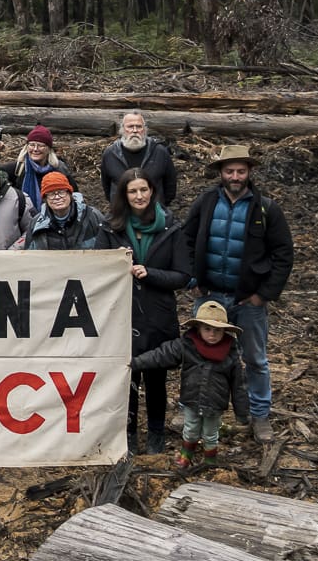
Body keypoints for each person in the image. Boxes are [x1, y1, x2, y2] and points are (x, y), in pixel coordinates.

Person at [181, 145, 294, 441]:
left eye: (240, 171)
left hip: (248, 299)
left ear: (249, 172)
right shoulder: (205, 202)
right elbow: (185, 240)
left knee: (255, 359)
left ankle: (259, 417)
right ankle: (195, 412)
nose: (235, 176)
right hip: (209, 298)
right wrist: (192, 278)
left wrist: (264, 294)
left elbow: (283, 254)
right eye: (229, 171)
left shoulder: (266, 208)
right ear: (220, 172)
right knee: (199, 356)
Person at [95, 168, 189, 453]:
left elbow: (183, 275)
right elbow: (97, 269)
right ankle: (129, 433)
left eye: (143, 190)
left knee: (157, 376)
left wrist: (151, 274)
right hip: (122, 315)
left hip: (158, 314)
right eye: (132, 191)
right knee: (127, 376)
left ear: (152, 191)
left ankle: (157, 433)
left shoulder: (171, 227)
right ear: (124, 195)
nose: (139, 196)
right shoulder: (110, 228)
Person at [132, 300, 244, 471]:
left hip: (215, 403)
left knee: (210, 433)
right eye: (207, 329)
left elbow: (239, 386)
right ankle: (186, 456)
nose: (212, 334)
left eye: (217, 330)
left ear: (225, 331)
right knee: (190, 429)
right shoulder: (187, 345)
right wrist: (137, 362)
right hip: (191, 399)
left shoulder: (231, 353)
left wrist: (242, 412)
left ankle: (210, 460)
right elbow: (162, 354)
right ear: (198, 328)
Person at [99, 110, 178, 207]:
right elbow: (106, 186)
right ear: (122, 130)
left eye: (139, 126)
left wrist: (159, 207)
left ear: (144, 130)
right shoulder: (110, 153)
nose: (135, 130)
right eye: (130, 126)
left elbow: (170, 186)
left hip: (153, 214)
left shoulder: (160, 152)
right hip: (121, 215)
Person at [18, 172, 105, 251]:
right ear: (45, 199)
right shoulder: (36, 224)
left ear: (70, 194)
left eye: (61, 192)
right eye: (51, 194)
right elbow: (30, 256)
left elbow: (109, 249)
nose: (57, 197)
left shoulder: (92, 217)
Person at [9, 126, 73, 215]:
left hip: (55, 218)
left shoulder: (59, 169)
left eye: (40, 145)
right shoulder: (18, 168)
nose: (35, 149)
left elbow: (73, 194)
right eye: (31, 145)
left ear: (48, 149)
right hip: (25, 219)